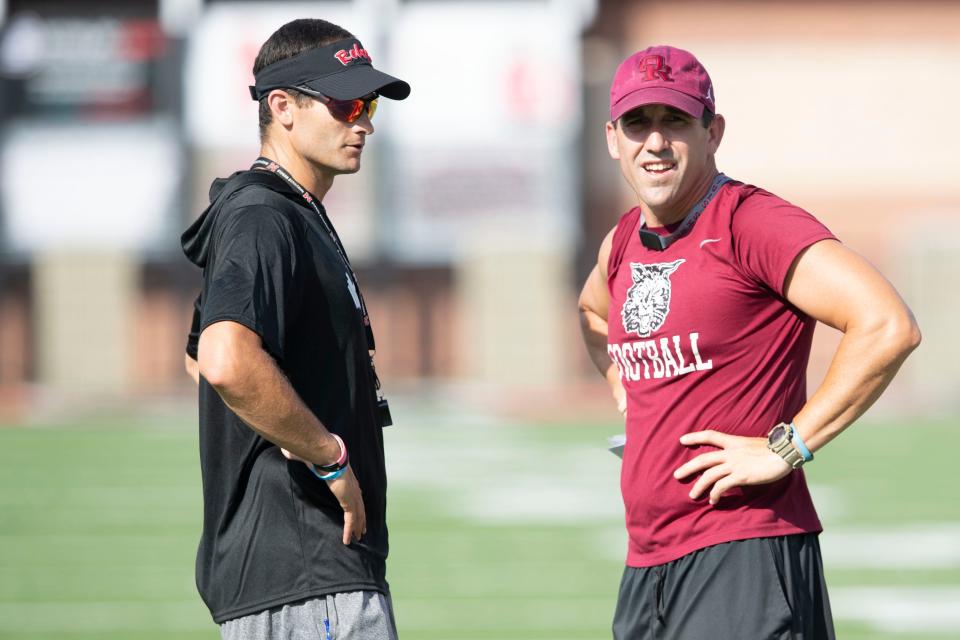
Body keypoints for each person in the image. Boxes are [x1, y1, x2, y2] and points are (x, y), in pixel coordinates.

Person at [578, 45, 921, 639]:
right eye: (638, 123)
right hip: (648, 563)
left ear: (713, 132)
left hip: (746, 556)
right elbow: (592, 312)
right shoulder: (626, 239)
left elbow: (887, 325)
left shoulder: (750, 223)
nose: (654, 142)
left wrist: (785, 448)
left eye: (675, 121)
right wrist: (624, 386)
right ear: (613, 138)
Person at [181, 18, 409, 639]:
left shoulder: (283, 210)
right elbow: (225, 359)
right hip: (308, 576)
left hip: (302, 578)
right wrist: (329, 456)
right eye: (346, 103)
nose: (362, 121)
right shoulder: (263, 214)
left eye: (369, 106)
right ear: (281, 106)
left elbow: (199, 357)